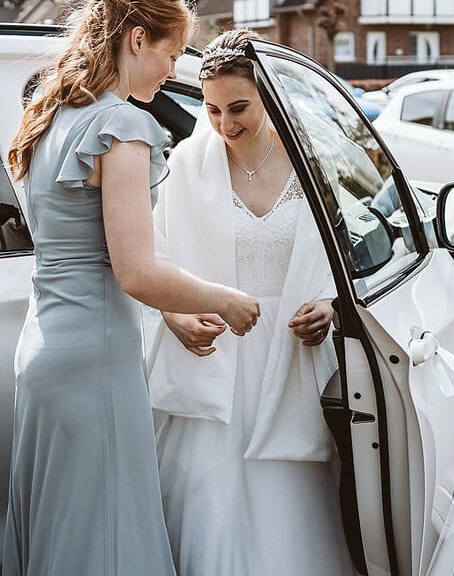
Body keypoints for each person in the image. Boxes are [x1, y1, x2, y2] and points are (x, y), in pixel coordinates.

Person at [1, 0, 259, 576]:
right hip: (95, 356)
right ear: (138, 39)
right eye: (172, 54)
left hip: (42, 349)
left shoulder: (52, 116)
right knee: (108, 545)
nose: (174, 71)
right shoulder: (123, 126)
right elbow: (136, 271)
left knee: (64, 538)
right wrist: (225, 298)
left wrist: (174, 306)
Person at [147, 29, 354, 576]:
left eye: (238, 107)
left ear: (270, 95)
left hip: (288, 355)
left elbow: (345, 257)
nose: (224, 125)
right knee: (211, 498)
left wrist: (329, 307)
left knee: (290, 495)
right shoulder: (186, 167)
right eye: (212, 110)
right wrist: (175, 316)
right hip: (213, 354)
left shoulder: (313, 166)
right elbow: (153, 261)